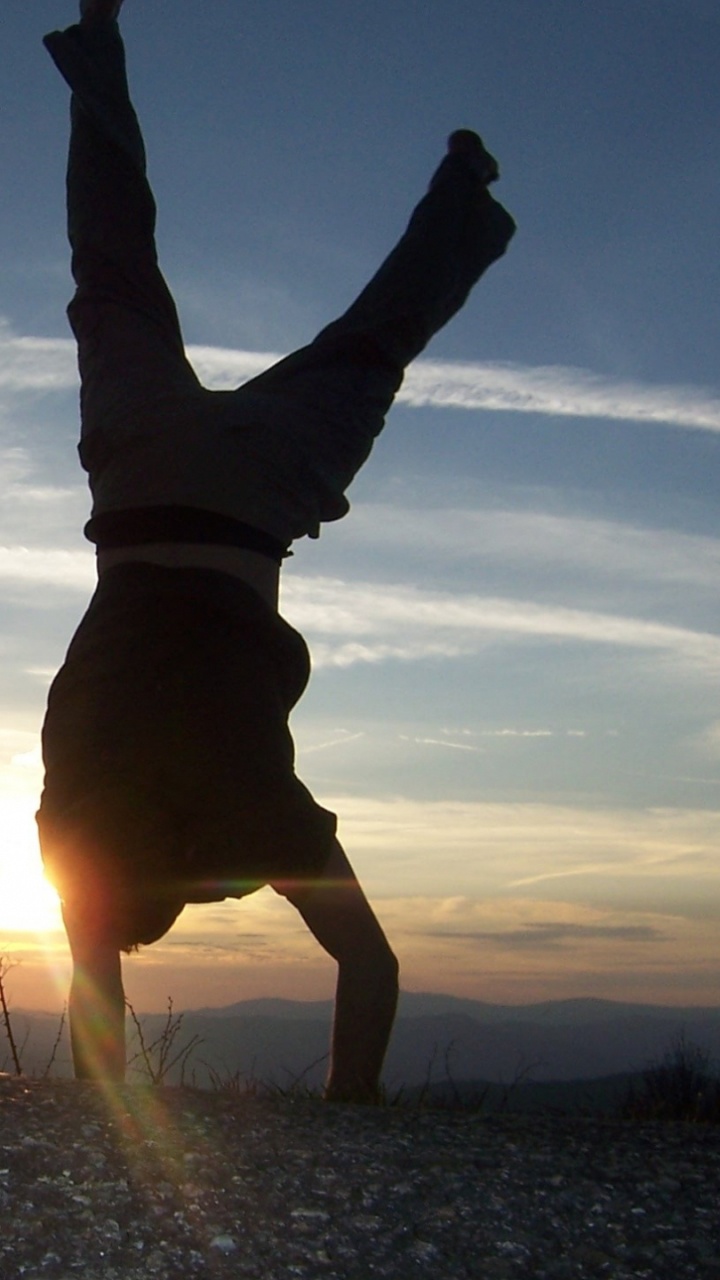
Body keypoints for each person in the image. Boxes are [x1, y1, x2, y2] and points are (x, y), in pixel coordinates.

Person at [38, 0, 516, 1099]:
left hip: (259, 497)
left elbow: (372, 966)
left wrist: (350, 1115)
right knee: (111, 268)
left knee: (373, 341)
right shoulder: (78, 828)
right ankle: (98, 40)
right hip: (141, 477)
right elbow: (95, 975)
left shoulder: (258, 822)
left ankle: (464, 191)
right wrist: (104, 1102)